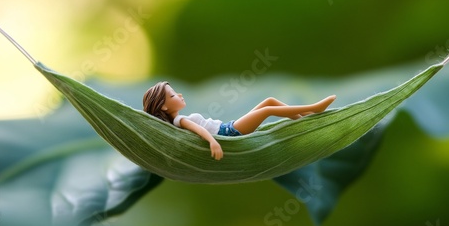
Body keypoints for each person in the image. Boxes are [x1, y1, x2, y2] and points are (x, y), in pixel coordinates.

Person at [143, 81, 336, 160]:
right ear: (164, 107)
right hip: (230, 133)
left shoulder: (180, 118)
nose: (180, 94)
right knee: (268, 109)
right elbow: (199, 131)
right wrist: (213, 142)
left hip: (229, 126)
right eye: (173, 95)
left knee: (269, 101)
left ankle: (303, 119)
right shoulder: (181, 121)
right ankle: (314, 108)